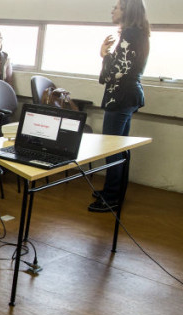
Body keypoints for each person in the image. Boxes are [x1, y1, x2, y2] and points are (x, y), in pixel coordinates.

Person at [89, 0, 150, 212]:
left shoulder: (130, 35)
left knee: (113, 148)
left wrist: (104, 55)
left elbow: (113, 73)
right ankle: (115, 191)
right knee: (121, 147)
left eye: (116, 7)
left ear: (126, 11)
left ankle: (111, 197)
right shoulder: (138, 34)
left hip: (121, 96)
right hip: (129, 95)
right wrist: (108, 56)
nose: (112, 10)